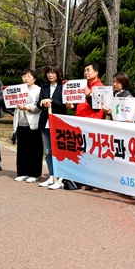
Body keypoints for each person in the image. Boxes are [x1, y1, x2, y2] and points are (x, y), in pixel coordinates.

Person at [61, 62, 105, 190]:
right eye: (84, 71)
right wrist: (70, 106)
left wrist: (89, 95)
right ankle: (81, 178)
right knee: (81, 152)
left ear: (96, 73)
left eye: (88, 70)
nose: (86, 73)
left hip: (92, 125)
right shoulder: (83, 86)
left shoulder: (100, 87)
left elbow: (97, 108)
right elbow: (77, 104)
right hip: (79, 124)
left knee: (91, 153)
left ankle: (92, 181)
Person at [37, 64, 67, 188]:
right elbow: (39, 104)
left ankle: (60, 178)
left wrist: (52, 101)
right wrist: (42, 103)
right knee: (48, 151)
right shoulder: (44, 88)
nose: (50, 75)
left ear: (58, 74)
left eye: (53, 72)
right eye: (48, 72)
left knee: (59, 151)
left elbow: (64, 104)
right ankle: (51, 175)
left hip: (58, 122)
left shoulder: (63, 87)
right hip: (45, 122)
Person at [13, 69, 43, 183]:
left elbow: (38, 107)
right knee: (22, 149)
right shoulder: (18, 90)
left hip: (33, 124)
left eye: (28, 76)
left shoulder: (38, 90)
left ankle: (34, 173)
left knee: (35, 149)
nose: (25, 78)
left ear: (34, 79)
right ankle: (23, 172)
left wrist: (26, 108)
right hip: (20, 123)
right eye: (24, 76)